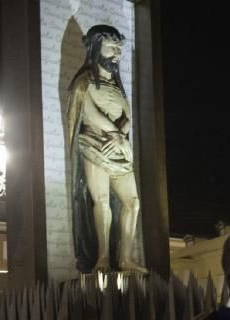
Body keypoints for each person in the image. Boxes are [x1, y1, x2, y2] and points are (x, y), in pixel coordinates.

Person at [66, 25, 145, 273]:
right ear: (96, 47)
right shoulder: (83, 83)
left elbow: (128, 116)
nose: (117, 54)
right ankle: (102, 258)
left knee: (132, 202)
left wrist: (121, 138)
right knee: (100, 201)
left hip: (120, 151)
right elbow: (89, 113)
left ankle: (125, 258)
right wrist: (117, 134)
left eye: (119, 48)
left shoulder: (117, 86)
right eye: (112, 47)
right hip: (94, 146)